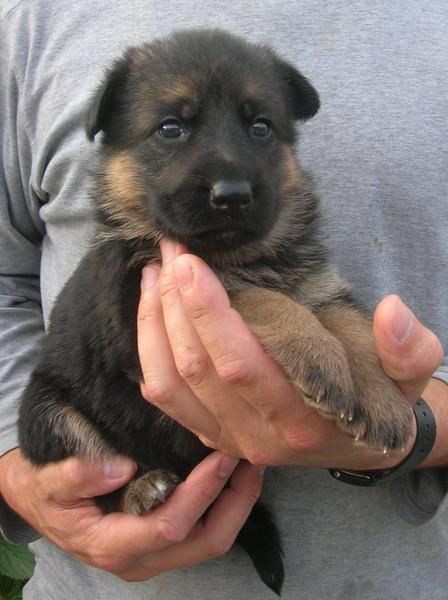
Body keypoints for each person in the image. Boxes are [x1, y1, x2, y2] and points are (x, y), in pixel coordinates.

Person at [1, 1, 447, 599]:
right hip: (97, 567)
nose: (229, 175)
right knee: (47, 410)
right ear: (110, 147)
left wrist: (416, 423)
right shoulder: (34, 19)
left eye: (259, 128)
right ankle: (133, 487)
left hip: (402, 579)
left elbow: (330, 306)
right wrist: (15, 469)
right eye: (171, 129)